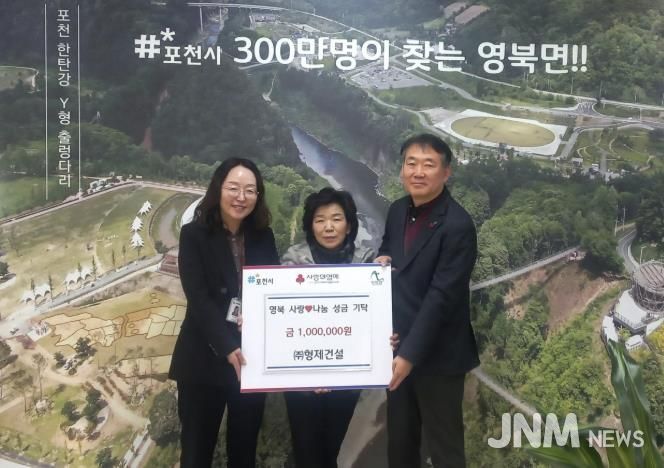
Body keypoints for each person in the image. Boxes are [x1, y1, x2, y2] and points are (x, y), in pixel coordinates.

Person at [375, 134, 479, 468]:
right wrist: (381, 259)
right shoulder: (397, 210)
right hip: (396, 351)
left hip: (439, 357)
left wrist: (409, 355)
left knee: (445, 448)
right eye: (411, 163)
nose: (418, 172)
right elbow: (389, 249)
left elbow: (442, 297)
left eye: (429, 165)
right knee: (400, 443)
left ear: (446, 173)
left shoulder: (458, 225)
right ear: (402, 169)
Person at [169, 158, 279, 468]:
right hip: (204, 359)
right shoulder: (193, 235)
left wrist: (261, 317)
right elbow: (199, 299)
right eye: (233, 188)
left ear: (258, 196)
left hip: (251, 359)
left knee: (243, 452)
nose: (241, 197)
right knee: (196, 453)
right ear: (218, 189)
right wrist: (227, 346)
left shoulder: (264, 236)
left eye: (250, 190)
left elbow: (272, 289)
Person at [281, 187, 374, 468]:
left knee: (331, 448)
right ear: (311, 225)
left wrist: (386, 337)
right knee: (306, 450)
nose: (329, 227)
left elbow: (373, 319)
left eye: (336, 218)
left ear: (349, 225)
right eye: (320, 220)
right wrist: (314, 371)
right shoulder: (292, 260)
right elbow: (283, 321)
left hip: (346, 377)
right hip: (301, 378)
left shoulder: (367, 261)